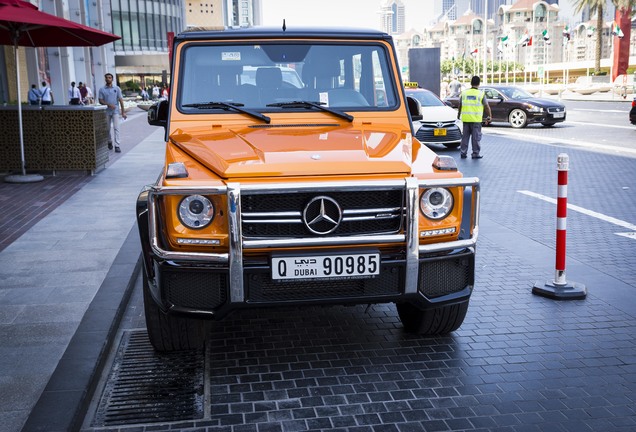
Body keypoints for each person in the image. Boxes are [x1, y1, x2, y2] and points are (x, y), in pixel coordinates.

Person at [457, 75, 492, 159]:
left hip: (465, 119)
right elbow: (486, 106)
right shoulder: (480, 94)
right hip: (476, 120)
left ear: (471, 83)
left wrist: (458, 115)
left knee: (465, 138)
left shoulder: (464, 93)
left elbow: (460, 105)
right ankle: (475, 153)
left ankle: (463, 153)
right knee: (475, 138)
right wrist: (489, 116)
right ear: (479, 84)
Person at [98, 72, 127, 153]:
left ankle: (117, 145)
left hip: (115, 111)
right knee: (107, 129)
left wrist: (123, 112)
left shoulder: (117, 88)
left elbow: (121, 100)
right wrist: (108, 104)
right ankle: (109, 141)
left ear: (112, 79)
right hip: (106, 112)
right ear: (105, 79)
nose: (108, 79)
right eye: (107, 77)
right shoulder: (102, 89)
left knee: (116, 128)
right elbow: (100, 100)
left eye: (109, 77)